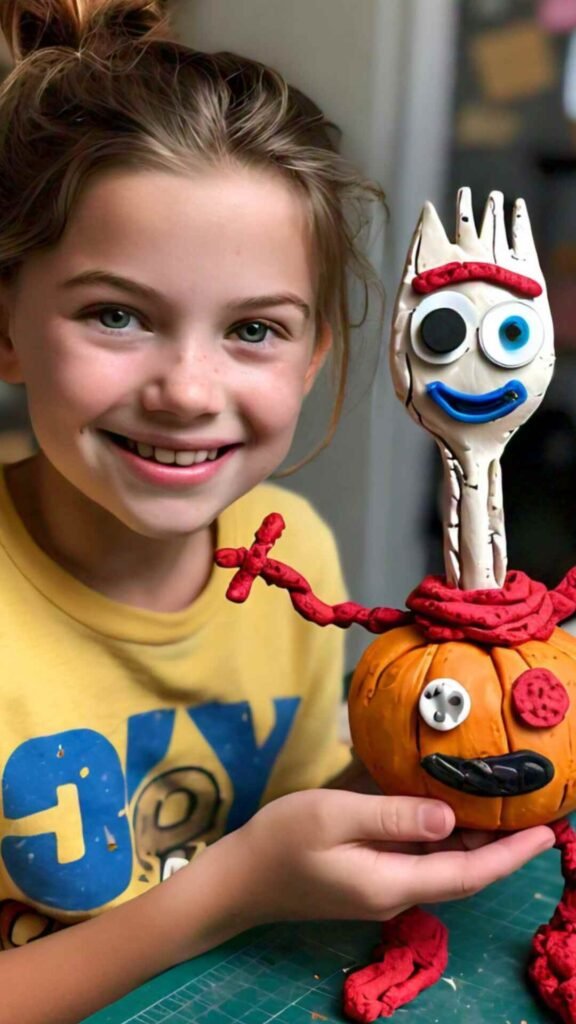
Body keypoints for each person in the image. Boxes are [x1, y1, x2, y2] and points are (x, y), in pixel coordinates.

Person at [0, 2, 554, 1022]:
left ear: (312, 359)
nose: (187, 390)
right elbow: (250, 878)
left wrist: (443, 766)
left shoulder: (291, 556)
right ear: (7, 327)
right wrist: (230, 892)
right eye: (116, 314)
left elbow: (305, 812)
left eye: (254, 329)